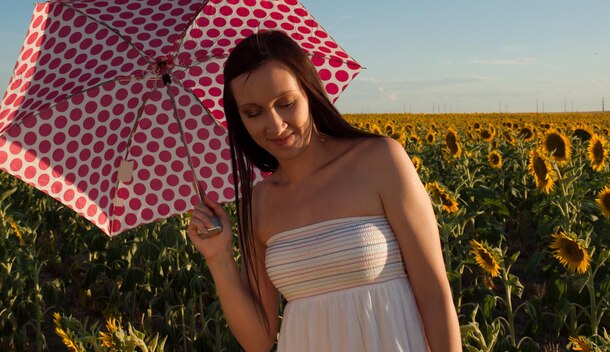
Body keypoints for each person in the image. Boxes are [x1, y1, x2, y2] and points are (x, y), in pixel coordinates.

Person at [187, 30, 461, 352]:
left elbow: (433, 292)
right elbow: (259, 340)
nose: (275, 126)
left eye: (286, 103)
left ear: (309, 92)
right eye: (253, 112)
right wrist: (219, 257)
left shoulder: (379, 161)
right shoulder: (258, 202)